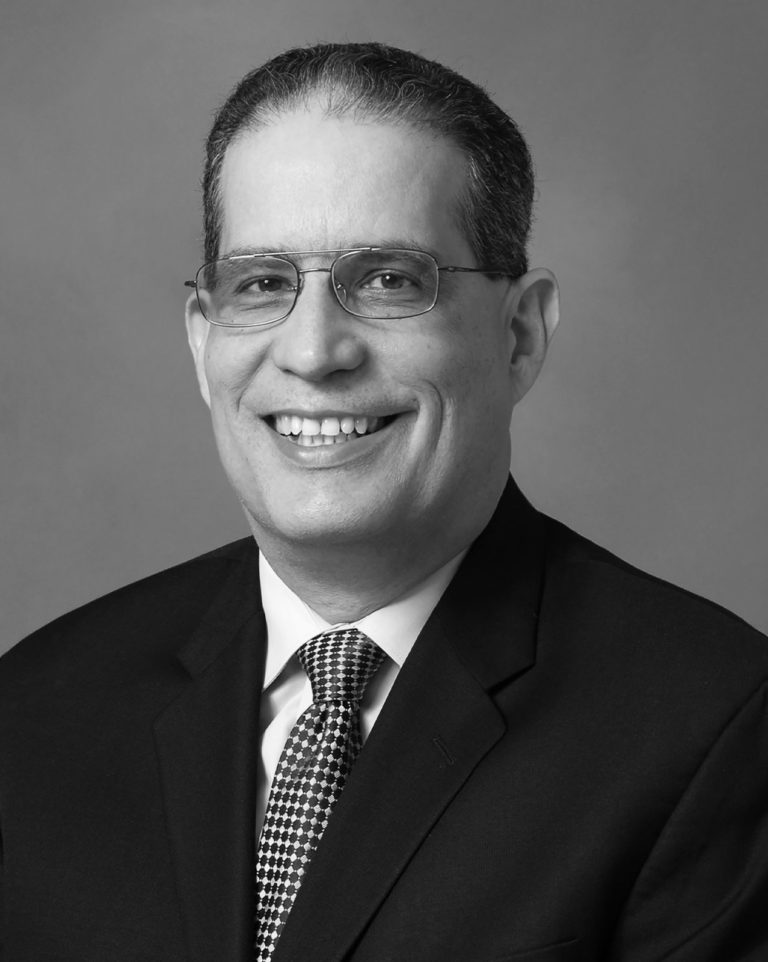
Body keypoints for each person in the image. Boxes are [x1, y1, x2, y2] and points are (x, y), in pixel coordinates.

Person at [1, 41, 767, 962]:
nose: (314, 352)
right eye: (262, 284)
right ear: (204, 342)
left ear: (520, 335)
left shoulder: (714, 728)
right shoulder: (37, 709)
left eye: (390, 281)